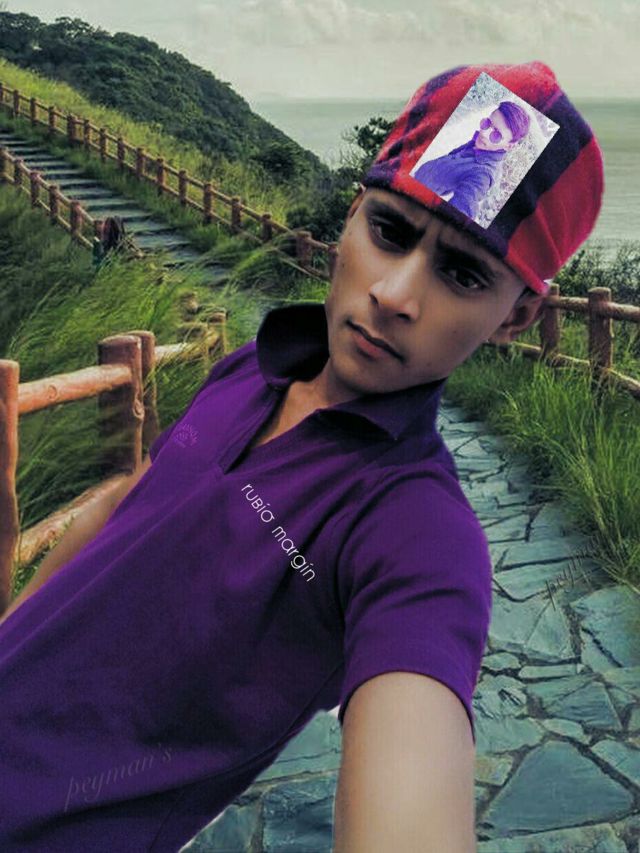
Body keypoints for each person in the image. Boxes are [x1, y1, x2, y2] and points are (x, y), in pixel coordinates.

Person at [0, 60, 604, 851]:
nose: (394, 294)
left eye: (461, 273)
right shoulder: (245, 370)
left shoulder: (417, 532)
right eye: (391, 232)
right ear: (352, 216)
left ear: (516, 317)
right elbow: (125, 506)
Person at [412, 100, 531, 220]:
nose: (483, 133)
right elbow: (453, 154)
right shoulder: (482, 145)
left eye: (496, 135)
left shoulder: (483, 175)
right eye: (488, 123)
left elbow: (464, 209)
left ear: (509, 146)